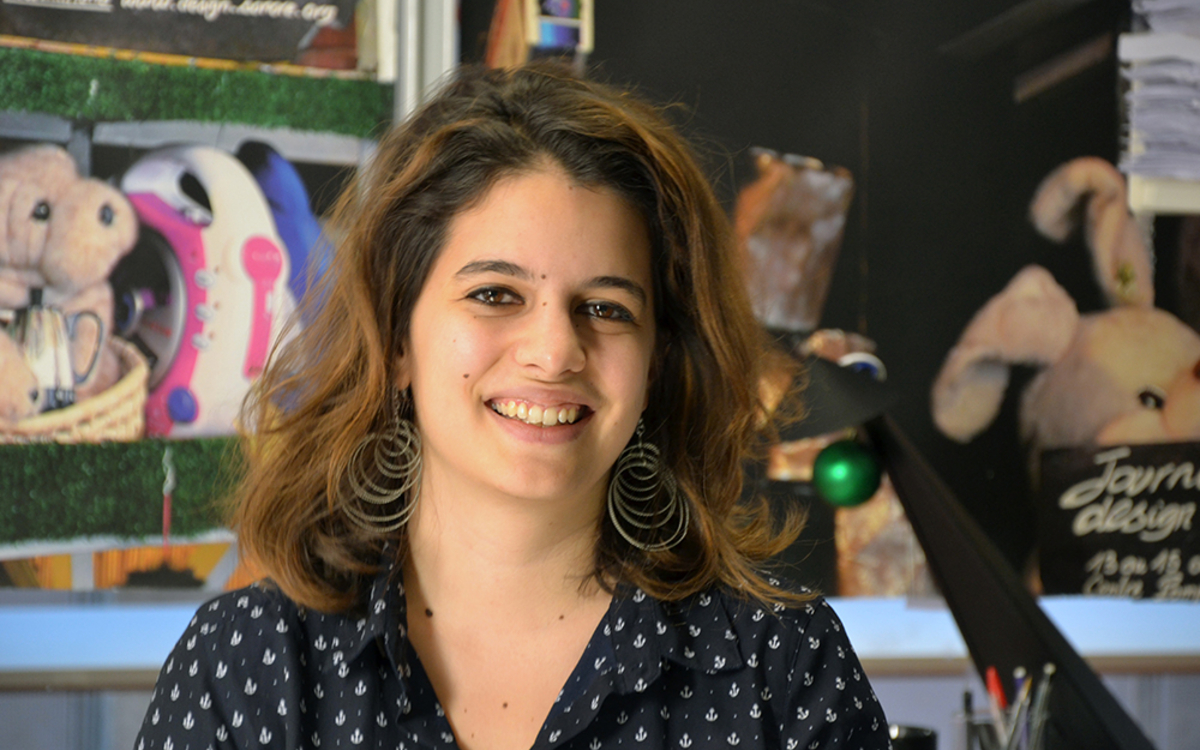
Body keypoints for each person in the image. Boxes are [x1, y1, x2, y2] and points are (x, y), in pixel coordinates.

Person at [135, 62, 891, 750]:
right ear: (398, 337)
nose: (555, 351)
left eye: (606, 307)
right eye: (495, 294)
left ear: (658, 361)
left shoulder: (783, 671)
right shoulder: (245, 668)